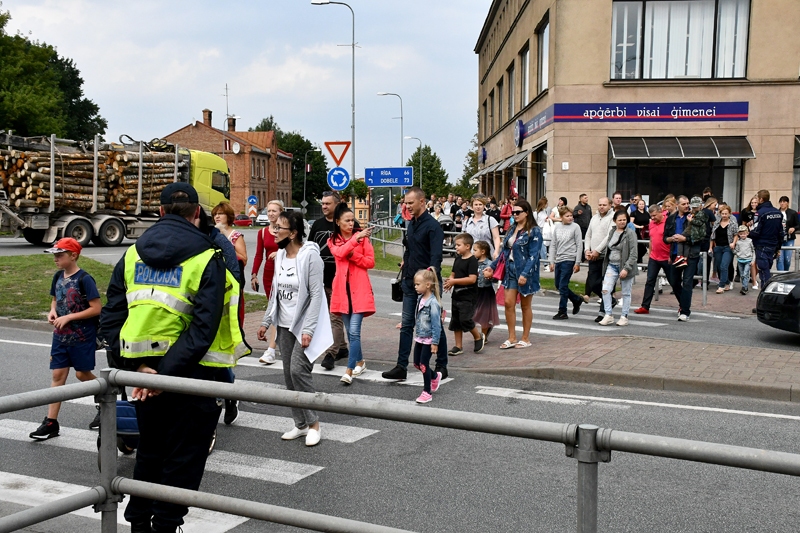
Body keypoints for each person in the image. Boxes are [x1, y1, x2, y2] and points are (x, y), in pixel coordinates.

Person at [101, 182, 248, 533]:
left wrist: (140, 370)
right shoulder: (209, 254)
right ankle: (166, 527)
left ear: (160, 212)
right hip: (195, 375)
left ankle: (138, 526)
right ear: (198, 212)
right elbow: (204, 326)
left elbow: (111, 319)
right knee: (184, 460)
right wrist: (164, 374)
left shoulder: (132, 254)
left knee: (150, 452)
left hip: (143, 378)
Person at [257, 210, 330, 446]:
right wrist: (266, 321)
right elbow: (276, 293)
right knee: (288, 375)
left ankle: (314, 424)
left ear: (294, 233)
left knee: (299, 370)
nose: (275, 231)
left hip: (305, 324)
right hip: (284, 324)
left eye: (280, 227)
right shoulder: (278, 256)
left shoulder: (310, 256)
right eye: (275, 226)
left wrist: (308, 329)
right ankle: (300, 425)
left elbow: (317, 294)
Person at [29, 238, 101, 440]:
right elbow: (55, 300)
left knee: (81, 375)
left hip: (81, 337)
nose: (55, 259)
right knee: (58, 375)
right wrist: (52, 312)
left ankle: (106, 398)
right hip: (60, 337)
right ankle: (51, 422)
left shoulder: (85, 279)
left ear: (73, 255)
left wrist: (69, 317)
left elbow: (96, 308)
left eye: (60, 255)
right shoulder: (57, 276)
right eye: (54, 255)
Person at [383, 187, 449, 381]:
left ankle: (441, 365)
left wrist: (430, 284)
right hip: (410, 282)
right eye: (405, 202)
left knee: (434, 325)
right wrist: (405, 268)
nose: (407, 206)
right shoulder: (410, 224)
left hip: (427, 286)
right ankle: (401, 367)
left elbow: (436, 258)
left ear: (422, 201)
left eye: (410, 202)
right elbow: (408, 249)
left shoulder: (433, 227)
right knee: (406, 326)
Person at [483, 198, 542, 349]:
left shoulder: (534, 231)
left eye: (517, 212)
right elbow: (504, 252)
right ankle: (512, 337)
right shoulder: (511, 229)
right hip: (509, 269)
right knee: (509, 303)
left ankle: (525, 338)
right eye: (513, 212)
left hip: (524, 271)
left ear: (526, 213)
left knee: (525, 305)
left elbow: (534, 256)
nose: (514, 215)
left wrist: (525, 274)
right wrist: (492, 266)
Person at [328, 202, 375, 385]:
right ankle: (361, 362)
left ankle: (349, 370)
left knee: (354, 331)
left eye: (352, 220)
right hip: (342, 292)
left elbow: (370, 262)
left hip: (359, 290)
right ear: (338, 222)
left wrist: (354, 255)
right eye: (346, 220)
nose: (350, 223)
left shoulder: (363, 239)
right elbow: (339, 253)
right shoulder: (333, 240)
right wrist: (354, 241)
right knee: (350, 332)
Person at [309, 191, 353, 370]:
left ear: (336, 204)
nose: (324, 206)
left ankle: (331, 353)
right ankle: (342, 347)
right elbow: (310, 248)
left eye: (328, 203)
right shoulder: (317, 225)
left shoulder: (347, 224)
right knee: (330, 317)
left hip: (341, 279)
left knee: (335, 317)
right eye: (322, 203)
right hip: (322, 279)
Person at [664, 195, 707, 322]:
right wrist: (671, 239)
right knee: (674, 281)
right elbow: (665, 238)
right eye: (684, 204)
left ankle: (685, 311)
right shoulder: (671, 218)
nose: (687, 206)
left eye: (688, 203)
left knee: (687, 282)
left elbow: (701, 237)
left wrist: (685, 239)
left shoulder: (694, 217)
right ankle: (682, 304)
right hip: (675, 254)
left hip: (691, 254)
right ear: (677, 205)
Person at [252, 200, 282, 364]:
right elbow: (258, 255)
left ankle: (271, 349)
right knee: (274, 312)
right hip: (269, 274)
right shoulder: (263, 232)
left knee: (278, 311)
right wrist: (254, 274)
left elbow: (296, 247)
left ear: (281, 212)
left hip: (284, 272)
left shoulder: (286, 230)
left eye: (274, 211)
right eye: (268, 211)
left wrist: (280, 253)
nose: (271, 214)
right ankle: (273, 348)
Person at [444, 233, 485, 355]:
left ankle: (478, 337)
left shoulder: (472, 261)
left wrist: (454, 281)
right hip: (456, 295)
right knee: (456, 320)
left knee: (465, 319)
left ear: (467, 246)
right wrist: (450, 282)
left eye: (458, 245)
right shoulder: (457, 259)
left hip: (468, 296)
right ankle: (458, 346)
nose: (456, 247)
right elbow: (453, 273)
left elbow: (472, 279)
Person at [599, 210, 638, 326]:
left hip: (625, 266)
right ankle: (608, 314)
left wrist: (626, 268)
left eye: (624, 220)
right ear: (614, 221)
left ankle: (624, 316)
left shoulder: (630, 233)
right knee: (605, 290)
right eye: (620, 220)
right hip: (611, 265)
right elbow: (608, 247)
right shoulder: (612, 232)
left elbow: (633, 253)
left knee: (626, 293)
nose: (622, 222)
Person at [411, 268, 444, 404]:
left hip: (429, 338)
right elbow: (419, 317)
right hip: (420, 336)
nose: (415, 287)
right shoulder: (420, 299)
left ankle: (427, 392)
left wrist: (435, 343)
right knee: (417, 364)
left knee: (424, 364)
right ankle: (435, 376)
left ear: (428, 285)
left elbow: (437, 325)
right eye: (415, 284)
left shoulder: (433, 303)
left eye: (418, 284)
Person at [212, 202, 247, 325]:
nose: (217, 216)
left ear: (228, 216)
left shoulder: (236, 235)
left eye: (221, 214)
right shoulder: (213, 233)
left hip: (233, 277)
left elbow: (243, 258)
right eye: (215, 214)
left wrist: (227, 249)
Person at [634, 205, 671, 314]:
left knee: (674, 281)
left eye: (654, 215)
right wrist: (650, 254)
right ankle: (645, 306)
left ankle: (683, 306)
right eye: (651, 216)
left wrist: (671, 256)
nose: (653, 218)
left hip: (666, 257)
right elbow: (651, 240)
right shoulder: (651, 224)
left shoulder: (668, 223)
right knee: (649, 281)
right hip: (654, 257)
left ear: (661, 212)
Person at [548, 206, 583, 320]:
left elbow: (579, 245)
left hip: (569, 259)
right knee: (558, 285)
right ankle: (576, 299)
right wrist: (551, 261)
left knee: (563, 285)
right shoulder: (558, 228)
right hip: (559, 259)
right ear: (561, 217)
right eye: (567, 216)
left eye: (571, 216)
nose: (570, 218)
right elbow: (553, 245)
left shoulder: (575, 227)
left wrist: (577, 262)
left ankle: (562, 311)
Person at [584, 197, 615, 321]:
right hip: (592, 255)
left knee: (605, 284)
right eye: (600, 204)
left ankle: (603, 312)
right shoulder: (594, 218)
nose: (601, 207)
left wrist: (598, 250)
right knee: (593, 282)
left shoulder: (612, 218)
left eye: (604, 204)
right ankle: (611, 301)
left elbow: (609, 236)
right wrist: (587, 249)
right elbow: (588, 235)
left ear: (610, 205)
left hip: (605, 256)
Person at [749, 189, 784, 289]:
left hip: (762, 245)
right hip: (773, 245)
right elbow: (781, 232)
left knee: (764, 271)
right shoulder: (778, 212)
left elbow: (756, 232)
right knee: (767, 268)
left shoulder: (759, 213)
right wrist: (778, 247)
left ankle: (767, 293)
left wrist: (748, 233)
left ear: (761, 199)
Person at [472, 240, 499, 342]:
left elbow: (496, 278)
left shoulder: (490, 264)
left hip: (486, 291)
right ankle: (482, 332)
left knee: (484, 314)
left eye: (475, 250)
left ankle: (483, 335)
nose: (473, 252)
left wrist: (491, 276)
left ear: (483, 251)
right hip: (475, 291)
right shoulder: (473, 262)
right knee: (474, 313)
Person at [672, 197, 709, 269]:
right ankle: (683, 258)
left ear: (701, 206)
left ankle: (680, 256)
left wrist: (691, 220)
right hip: (691, 231)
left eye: (687, 204)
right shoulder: (692, 212)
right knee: (683, 241)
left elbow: (700, 223)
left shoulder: (701, 214)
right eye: (693, 207)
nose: (694, 208)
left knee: (681, 239)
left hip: (694, 235)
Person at [710, 204, 738, 293]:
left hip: (728, 247)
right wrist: (711, 247)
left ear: (729, 214)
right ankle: (727, 282)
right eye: (723, 214)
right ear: (720, 214)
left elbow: (736, 234)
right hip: (718, 247)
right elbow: (712, 236)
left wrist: (733, 243)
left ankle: (721, 286)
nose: (724, 215)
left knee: (724, 266)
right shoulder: (717, 223)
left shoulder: (733, 224)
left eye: (726, 214)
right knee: (718, 266)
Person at [777, 196, 799, 272]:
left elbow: (798, 225)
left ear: (788, 203)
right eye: (781, 202)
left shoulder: (793, 213)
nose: (782, 203)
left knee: (787, 259)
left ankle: (785, 273)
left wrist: (794, 228)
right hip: (779, 239)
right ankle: (780, 276)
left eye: (784, 202)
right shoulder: (776, 212)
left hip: (789, 239)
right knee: (780, 259)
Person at [734, 225, 755, 294]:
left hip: (748, 260)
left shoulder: (749, 241)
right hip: (740, 260)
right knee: (742, 274)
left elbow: (753, 251)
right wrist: (734, 251)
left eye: (744, 234)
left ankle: (744, 287)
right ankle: (744, 287)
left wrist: (753, 260)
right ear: (739, 234)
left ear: (747, 233)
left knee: (745, 274)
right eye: (741, 234)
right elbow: (736, 250)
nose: (742, 235)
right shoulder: (738, 242)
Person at [535, 197, 552, 271]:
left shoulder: (544, 212)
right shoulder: (537, 213)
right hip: (540, 230)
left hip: (543, 229)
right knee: (543, 247)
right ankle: (545, 264)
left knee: (542, 247)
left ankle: (543, 263)